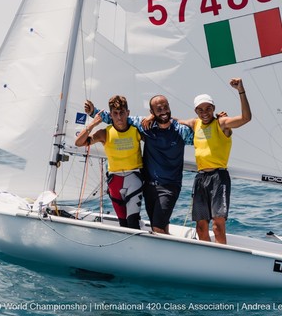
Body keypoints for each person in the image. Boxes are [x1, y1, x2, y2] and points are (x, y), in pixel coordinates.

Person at [85, 95, 193, 234]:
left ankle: (161, 253)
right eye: (158, 109)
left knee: (158, 227)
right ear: (152, 112)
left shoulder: (181, 131)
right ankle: (164, 252)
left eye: (165, 107)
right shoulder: (145, 126)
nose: (163, 111)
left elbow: (202, 134)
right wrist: (94, 112)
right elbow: (119, 118)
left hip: (169, 185)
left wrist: (222, 125)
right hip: (149, 185)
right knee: (159, 224)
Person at [180, 78, 251, 244]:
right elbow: (172, 120)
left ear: (214, 108)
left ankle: (222, 256)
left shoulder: (222, 123)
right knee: (200, 226)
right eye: (200, 109)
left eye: (208, 108)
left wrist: (241, 90)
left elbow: (246, 118)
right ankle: (206, 256)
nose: (204, 112)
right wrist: (151, 116)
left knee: (218, 224)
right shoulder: (194, 123)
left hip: (219, 177)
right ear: (196, 111)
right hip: (200, 178)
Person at [75, 95, 143, 229]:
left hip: (134, 178)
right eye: (115, 113)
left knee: (133, 221)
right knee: (123, 224)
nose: (119, 118)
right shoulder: (104, 133)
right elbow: (79, 142)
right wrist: (93, 124)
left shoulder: (136, 130)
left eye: (122, 113)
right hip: (114, 182)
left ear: (127, 113)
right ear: (110, 115)